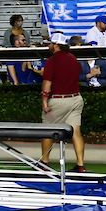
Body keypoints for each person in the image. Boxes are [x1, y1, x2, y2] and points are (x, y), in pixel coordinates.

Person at [41, 32, 86, 171]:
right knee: (76, 132)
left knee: (47, 131)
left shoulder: (52, 60)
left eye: (50, 43)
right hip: (76, 98)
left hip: (59, 100)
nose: (48, 46)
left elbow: (47, 83)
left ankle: (44, 163)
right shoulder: (73, 58)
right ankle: (80, 165)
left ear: (56, 45)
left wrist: (44, 101)